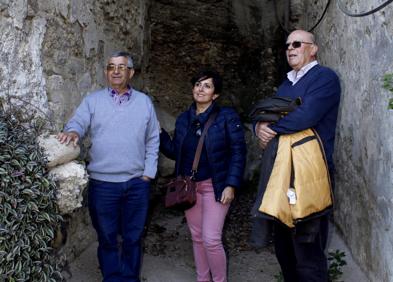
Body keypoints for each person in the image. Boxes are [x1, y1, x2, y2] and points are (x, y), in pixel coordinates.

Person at [57, 51, 160, 282]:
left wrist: (148, 173)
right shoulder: (93, 101)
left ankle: (130, 278)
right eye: (111, 67)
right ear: (106, 72)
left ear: (130, 73)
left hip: (136, 183)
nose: (115, 71)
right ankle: (113, 278)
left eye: (121, 67)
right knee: (107, 237)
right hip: (103, 185)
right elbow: (78, 121)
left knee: (133, 237)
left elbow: (153, 139)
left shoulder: (144, 102)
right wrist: (73, 131)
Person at [255, 30, 341, 281]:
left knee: (308, 256)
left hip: (310, 178)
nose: (290, 48)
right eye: (287, 45)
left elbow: (307, 115)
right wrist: (259, 128)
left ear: (313, 49)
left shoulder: (324, 78)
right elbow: (263, 111)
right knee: (285, 252)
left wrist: (272, 128)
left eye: (297, 44)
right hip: (282, 175)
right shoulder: (286, 84)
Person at [160, 69, 246, 282]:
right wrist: (159, 133)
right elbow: (174, 151)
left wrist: (231, 185)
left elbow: (238, 152)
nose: (201, 89)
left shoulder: (227, 117)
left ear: (215, 94)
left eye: (207, 86)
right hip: (190, 187)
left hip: (216, 185)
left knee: (211, 239)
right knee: (197, 238)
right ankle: (202, 279)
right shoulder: (183, 119)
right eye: (198, 84)